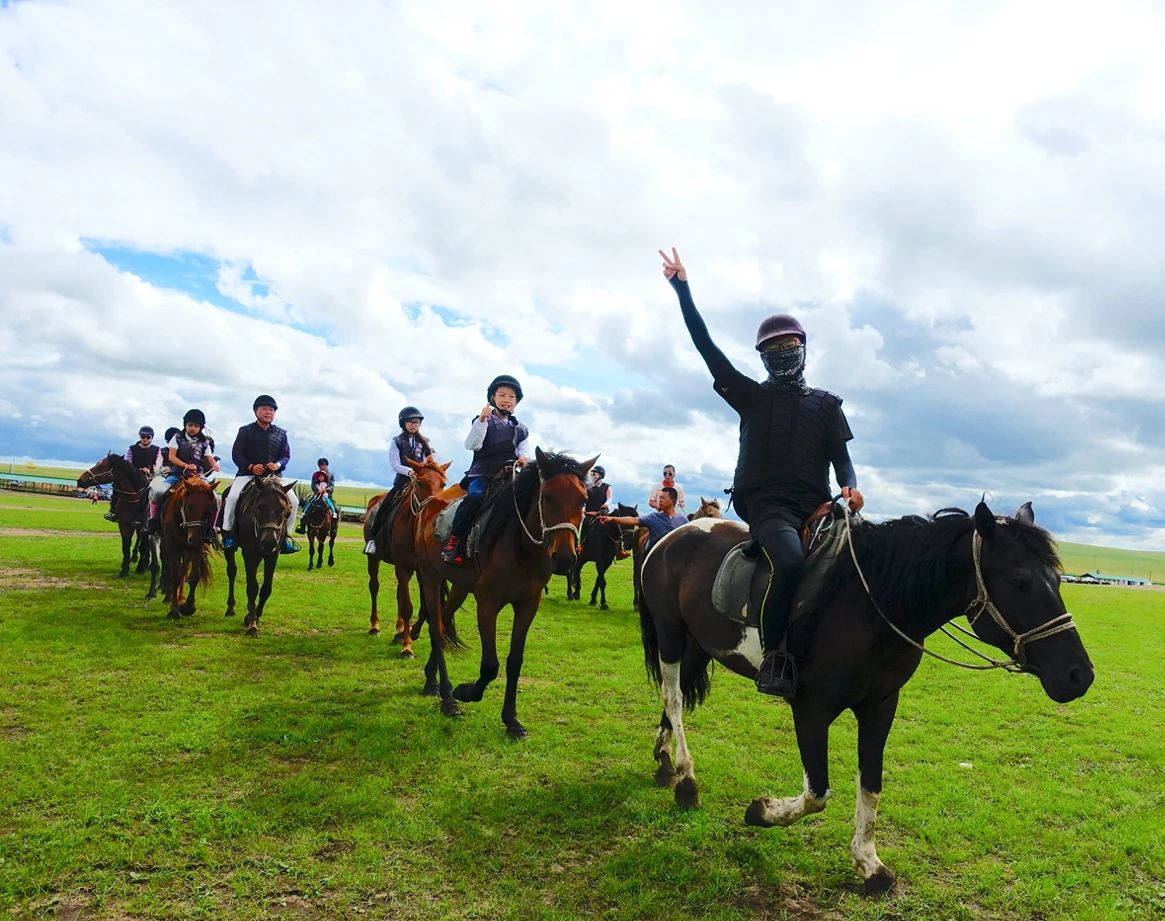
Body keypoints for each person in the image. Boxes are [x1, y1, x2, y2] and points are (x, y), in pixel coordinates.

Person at [660, 247, 864, 698]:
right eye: (773, 349)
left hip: (817, 504)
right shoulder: (749, 396)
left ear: (803, 348)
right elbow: (705, 347)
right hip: (769, 506)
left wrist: (850, 485)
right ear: (762, 357)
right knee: (789, 560)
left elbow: (841, 457)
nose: (782, 352)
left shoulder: (828, 405)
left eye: (789, 345)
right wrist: (683, 290)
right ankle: (776, 658)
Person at [441, 375, 531, 565]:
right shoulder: (482, 421)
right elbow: (472, 444)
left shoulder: (521, 429)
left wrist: (524, 458)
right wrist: (482, 419)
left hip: (509, 476)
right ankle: (453, 542)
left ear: (516, 401)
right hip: (482, 474)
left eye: (512, 396)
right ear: (493, 398)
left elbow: (524, 451)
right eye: (502, 395)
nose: (507, 399)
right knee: (475, 497)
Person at [220, 394, 299, 553]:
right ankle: (228, 534)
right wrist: (250, 466)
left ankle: (285, 537)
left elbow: (286, 456)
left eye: (271, 410)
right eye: (264, 409)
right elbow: (236, 454)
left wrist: (277, 465)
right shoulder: (245, 431)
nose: (268, 412)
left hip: (273, 477)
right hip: (247, 475)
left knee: (294, 501)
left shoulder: (281, 434)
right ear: (256, 411)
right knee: (233, 497)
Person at [364, 406, 436, 555]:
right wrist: (410, 471)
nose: (414, 425)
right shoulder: (397, 441)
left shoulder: (425, 442)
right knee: (384, 507)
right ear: (403, 423)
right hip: (402, 482)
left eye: (416, 422)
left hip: (420, 483)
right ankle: (372, 540)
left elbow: (429, 462)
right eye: (410, 422)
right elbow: (395, 464)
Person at [147, 410, 220, 531]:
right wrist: (185, 465)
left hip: (198, 477)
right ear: (185, 425)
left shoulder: (205, 442)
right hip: (177, 475)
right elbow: (172, 457)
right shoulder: (177, 438)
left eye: (196, 426)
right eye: (190, 425)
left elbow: (208, 457)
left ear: (200, 427)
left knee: (216, 499)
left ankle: (211, 529)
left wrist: (214, 465)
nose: (192, 428)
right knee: (159, 492)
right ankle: (153, 521)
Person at [600, 486, 686, 554]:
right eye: (659, 497)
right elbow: (633, 520)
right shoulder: (653, 517)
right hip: (657, 561)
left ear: (672, 500)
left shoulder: (683, 521)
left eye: (662, 498)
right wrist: (612, 518)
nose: (659, 500)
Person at [105, 426, 163, 521]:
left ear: (152, 438)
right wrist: (139, 470)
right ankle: (113, 510)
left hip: (150, 477)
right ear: (139, 436)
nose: (145, 439)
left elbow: (158, 463)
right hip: (133, 476)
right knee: (117, 485)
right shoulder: (131, 448)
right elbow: (128, 463)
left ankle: (153, 516)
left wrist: (151, 472)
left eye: (147, 437)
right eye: (142, 436)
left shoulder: (157, 449)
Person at [295, 458, 337, 534]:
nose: (323, 466)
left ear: (327, 465)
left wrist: (326, 490)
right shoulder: (316, 474)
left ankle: (333, 529)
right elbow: (313, 485)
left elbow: (332, 486)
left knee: (335, 509)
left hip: (327, 496)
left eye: (325, 465)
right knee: (306, 507)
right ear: (319, 466)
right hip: (317, 495)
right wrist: (318, 491)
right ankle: (302, 526)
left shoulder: (331, 474)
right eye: (321, 465)